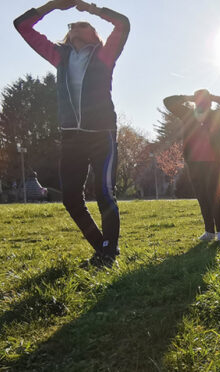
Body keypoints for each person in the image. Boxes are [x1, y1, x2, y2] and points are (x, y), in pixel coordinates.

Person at [15, 0, 130, 267]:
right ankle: (103, 247)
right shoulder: (59, 56)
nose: (77, 26)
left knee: (104, 192)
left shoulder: (105, 54)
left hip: (101, 134)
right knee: (70, 198)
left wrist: (91, 9)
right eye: (73, 25)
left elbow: (123, 23)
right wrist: (53, 6)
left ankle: (108, 254)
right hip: (71, 137)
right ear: (68, 34)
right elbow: (21, 25)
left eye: (84, 25)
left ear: (94, 34)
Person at [164, 90, 220, 242]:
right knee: (202, 197)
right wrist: (187, 97)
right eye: (199, 100)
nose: (202, 103)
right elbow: (168, 101)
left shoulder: (218, 115)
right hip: (195, 164)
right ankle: (209, 232)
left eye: (206, 100)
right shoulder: (188, 115)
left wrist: (214, 97)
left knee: (215, 197)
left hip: (215, 163)